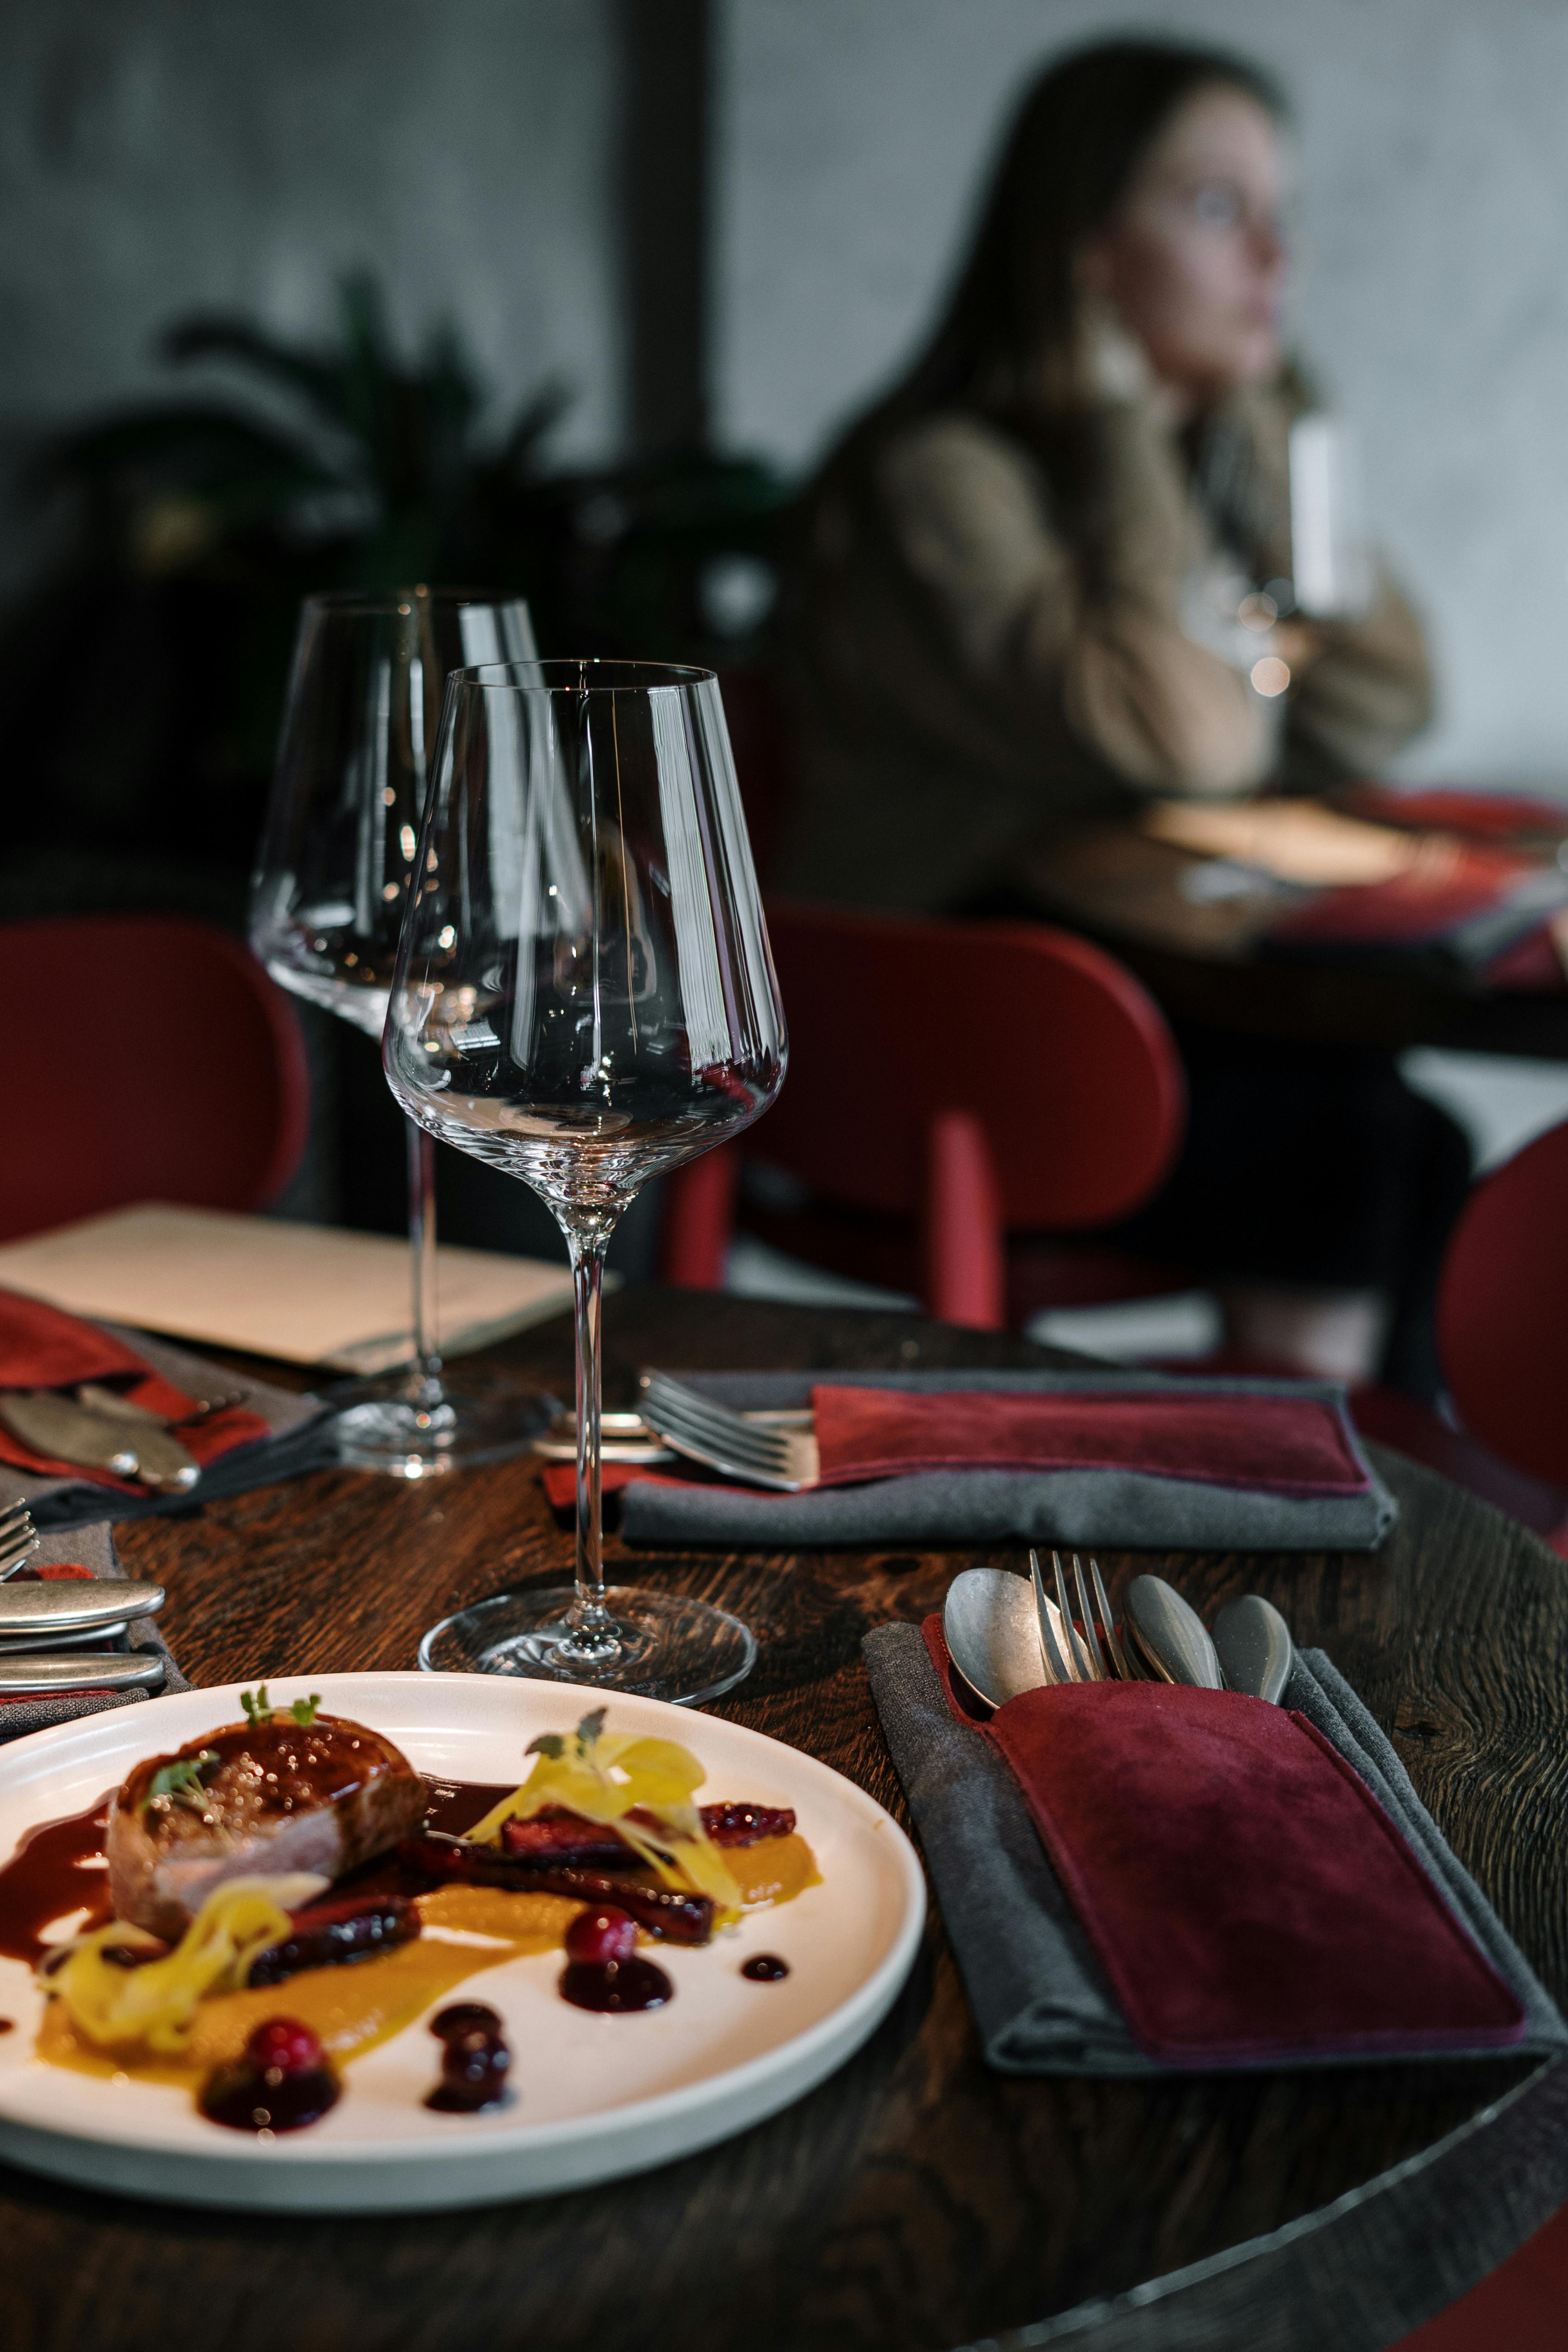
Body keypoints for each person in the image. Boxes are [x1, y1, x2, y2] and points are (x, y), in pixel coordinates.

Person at [777, 38, 1466, 1395]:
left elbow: (1378, 714)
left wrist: (1276, 456)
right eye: (1218, 208)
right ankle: (1283, 1514)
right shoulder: (946, 479)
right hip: (929, 1052)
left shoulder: (1199, 463)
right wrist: (1118, 428)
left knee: (1413, 1144)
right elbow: (1193, 742)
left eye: (1282, 213)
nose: (1276, 258)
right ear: (1083, 248)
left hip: (1101, 1005)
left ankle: (1341, 1523)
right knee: (1347, 1139)